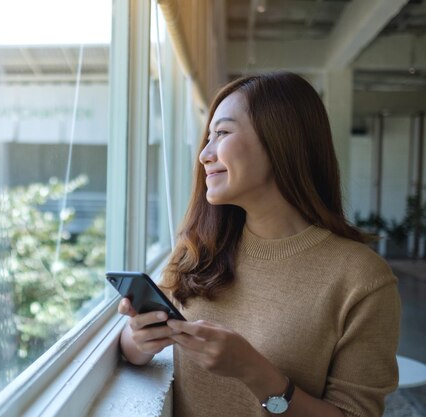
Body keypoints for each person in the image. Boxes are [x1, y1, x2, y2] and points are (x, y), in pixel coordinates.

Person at [118, 71, 400, 417]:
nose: (205, 154)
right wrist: (140, 341)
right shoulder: (198, 249)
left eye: (221, 133)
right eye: (207, 138)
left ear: (281, 141)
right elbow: (132, 349)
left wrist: (257, 373)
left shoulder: (362, 279)